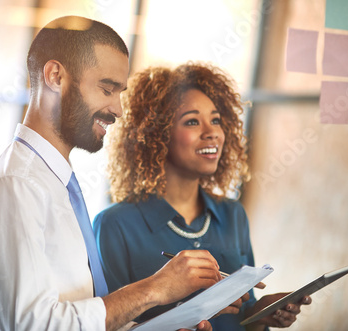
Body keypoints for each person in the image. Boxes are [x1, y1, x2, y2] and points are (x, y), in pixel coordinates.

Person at [0, 16, 218, 331]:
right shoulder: (15, 186)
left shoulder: (55, 183)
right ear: (55, 77)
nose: (118, 109)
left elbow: (79, 315)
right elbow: (33, 326)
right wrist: (154, 289)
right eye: (107, 89)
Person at [93, 63, 312, 331]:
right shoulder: (115, 225)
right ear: (157, 135)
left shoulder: (233, 215)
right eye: (193, 121)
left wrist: (259, 314)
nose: (212, 133)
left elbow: (241, 318)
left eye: (216, 120)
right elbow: (109, 323)